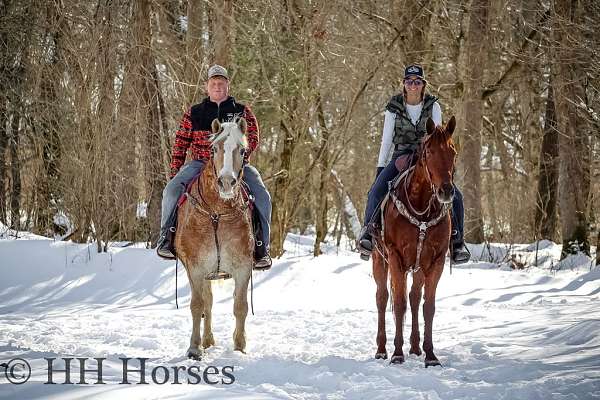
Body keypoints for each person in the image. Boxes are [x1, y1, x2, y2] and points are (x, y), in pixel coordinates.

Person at [156, 65, 272, 270]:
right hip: (200, 164)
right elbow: (180, 143)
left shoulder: (241, 111)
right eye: (213, 83)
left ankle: (262, 247)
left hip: (236, 165)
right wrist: (176, 173)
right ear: (207, 87)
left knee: (262, 195)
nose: (217, 87)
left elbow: (253, 137)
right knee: (171, 190)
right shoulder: (195, 113)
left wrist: (240, 156)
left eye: (221, 83)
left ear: (228, 85)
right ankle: (166, 237)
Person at [357, 64, 470, 264]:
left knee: (456, 196)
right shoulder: (393, 106)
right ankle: (368, 235)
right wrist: (380, 169)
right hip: (400, 155)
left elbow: (437, 137)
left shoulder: (433, 106)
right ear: (404, 84)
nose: (413, 85)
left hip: (426, 156)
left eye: (417, 82)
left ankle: (457, 242)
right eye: (409, 82)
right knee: (375, 192)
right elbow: (386, 140)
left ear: (423, 84)